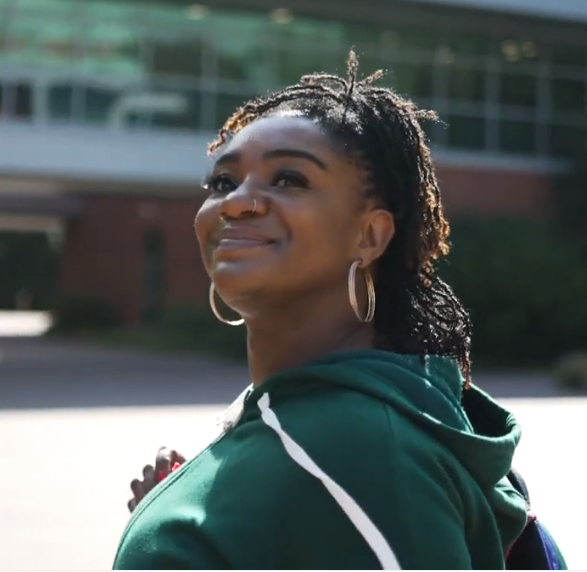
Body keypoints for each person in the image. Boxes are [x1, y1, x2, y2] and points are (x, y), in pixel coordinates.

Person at [113, 51, 529, 570]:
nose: (237, 202)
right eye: (223, 181)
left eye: (289, 179)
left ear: (370, 235)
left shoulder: (356, 446)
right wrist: (193, 511)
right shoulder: (318, 417)